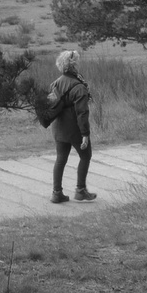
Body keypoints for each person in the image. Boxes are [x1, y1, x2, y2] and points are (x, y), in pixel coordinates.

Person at [47, 50, 96, 204]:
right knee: (85, 156)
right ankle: (80, 190)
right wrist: (85, 134)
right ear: (74, 65)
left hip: (58, 128)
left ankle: (57, 193)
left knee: (60, 159)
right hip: (74, 129)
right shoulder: (79, 87)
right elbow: (82, 113)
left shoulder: (55, 83)